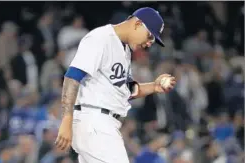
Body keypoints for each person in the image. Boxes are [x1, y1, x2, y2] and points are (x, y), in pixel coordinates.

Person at [55, 7, 177, 163]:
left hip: (102, 123)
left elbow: (126, 90)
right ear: (137, 24)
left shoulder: (124, 50)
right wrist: (66, 119)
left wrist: (154, 86)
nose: (148, 43)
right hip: (95, 122)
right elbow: (72, 77)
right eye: (149, 36)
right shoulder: (101, 38)